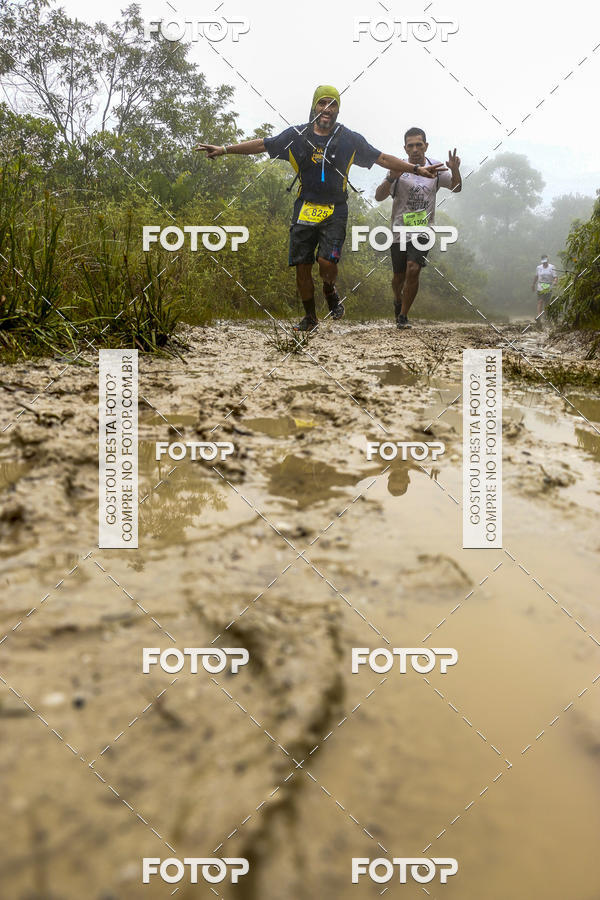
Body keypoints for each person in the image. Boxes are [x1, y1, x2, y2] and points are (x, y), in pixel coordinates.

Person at [195, 86, 444, 332]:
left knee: (326, 262)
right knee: (302, 266)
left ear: (337, 110)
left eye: (332, 104)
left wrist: (415, 169)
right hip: (304, 206)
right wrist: (225, 149)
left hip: (335, 209)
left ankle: (329, 288)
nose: (327, 109)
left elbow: (381, 158)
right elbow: (262, 145)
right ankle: (310, 317)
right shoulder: (296, 135)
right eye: (322, 103)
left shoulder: (348, 138)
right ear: (314, 106)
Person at [375, 127, 461, 329]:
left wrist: (455, 169)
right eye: (411, 146)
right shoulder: (398, 169)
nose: (415, 149)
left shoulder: (436, 168)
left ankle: (403, 316)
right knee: (398, 278)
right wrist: (391, 177)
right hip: (398, 231)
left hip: (423, 230)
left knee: (413, 269)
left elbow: (456, 188)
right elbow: (379, 196)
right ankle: (398, 299)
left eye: (419, 145)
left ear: (426, 146)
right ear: (405, 148)